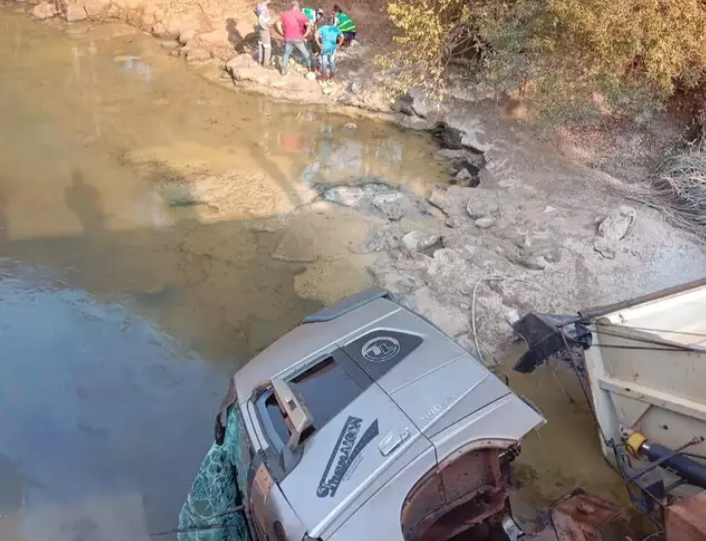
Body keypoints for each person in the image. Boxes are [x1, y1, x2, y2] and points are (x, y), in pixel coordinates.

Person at [275, 1, 313, 75]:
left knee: (286, 54)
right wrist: (305, 35)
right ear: (298, 7)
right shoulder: (302, 15)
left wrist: (282, 33)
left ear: (291, 7)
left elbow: (278, 23)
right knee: (306, 53)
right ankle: (310, 68)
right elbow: (309, 25)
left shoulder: (284, 14)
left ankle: (283, 71)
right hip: (298, 38)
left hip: (288, 38)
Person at [315, 14, 343, 80]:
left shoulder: (323, 27)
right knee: (332, 61)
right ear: (333, 22)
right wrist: (339, 44)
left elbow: (316, 34)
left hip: (324, 48)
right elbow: (342, 36)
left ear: (327, 21)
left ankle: (323, 77)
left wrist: (319, 43)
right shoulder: (336, 29)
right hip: (332, 49)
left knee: (324, 62)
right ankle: (332, 76)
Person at [254, 0, 275, 67]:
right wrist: (266, 27)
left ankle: (260, 60)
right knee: (267, 46)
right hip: (264, 29)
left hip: (260, 29)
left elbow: (255, 11)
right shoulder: (264, 8)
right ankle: (266, 63)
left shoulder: (259, 5)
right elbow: (260, 19)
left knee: (260, 44)